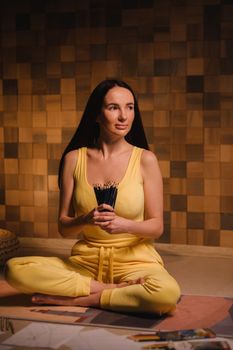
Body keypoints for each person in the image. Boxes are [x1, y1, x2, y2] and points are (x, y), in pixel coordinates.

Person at [5, 79, 180, 315]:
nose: (123, 116)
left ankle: (80, 300)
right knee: (15, 269)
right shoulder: (74, 159)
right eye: (113, 107)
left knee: (166, 293)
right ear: (96, 115)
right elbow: (64, 228)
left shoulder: (146, 160)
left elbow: (156, 227)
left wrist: (124, 225)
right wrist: (85, 220)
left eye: (130, 107)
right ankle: (109, 289)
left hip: (135, 263)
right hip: (85, 264)